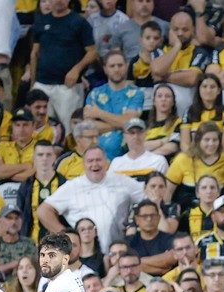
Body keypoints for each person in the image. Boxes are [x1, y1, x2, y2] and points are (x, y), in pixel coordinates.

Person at [39, 145, 146, 249]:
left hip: (119, 250)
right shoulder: (72, 186)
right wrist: (67, 238)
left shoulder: (122, 181)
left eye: (98, 160)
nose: (94, 164)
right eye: (90, 161)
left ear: (106, 162)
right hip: (87, 252)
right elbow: (43, 211)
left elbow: (147, 197)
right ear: (84, 164)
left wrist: (135, 225)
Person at [28, 0, 98, 131]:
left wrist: (76, 69)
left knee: (69, 130)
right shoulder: (41, 21)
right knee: (39, 130)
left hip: (68, 86)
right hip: (42, 84)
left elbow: (93, 51)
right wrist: (33, 84)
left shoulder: (79, 22)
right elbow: (35, 53)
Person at [84, 50, 144, 160]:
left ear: (127, 67)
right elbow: (88, 127)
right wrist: (120, 125)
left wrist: (99, 113)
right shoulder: (94, 94)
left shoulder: (136, 93)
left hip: (126, 157)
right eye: (112, 66)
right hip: (96, 157)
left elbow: (129, 122)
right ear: (105, 69)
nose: (116, 69)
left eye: (120, 65)